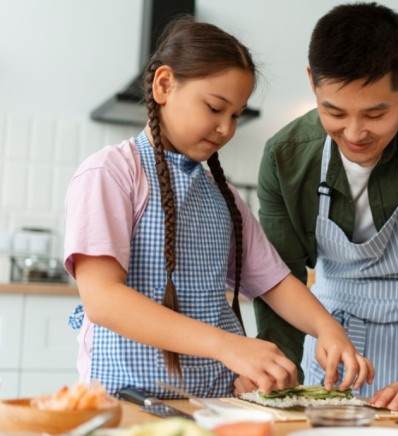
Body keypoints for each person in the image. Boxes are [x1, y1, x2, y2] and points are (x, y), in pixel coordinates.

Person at [64, 17, 373, 398]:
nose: (226, 129)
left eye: (235, 115)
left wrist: (328, 330)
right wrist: (226, 345)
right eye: (214, 108)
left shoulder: (222, 196)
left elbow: (275, 283)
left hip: (214, 403)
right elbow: (103, 300)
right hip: (128, 402)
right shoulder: (111, 173)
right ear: (164, 85)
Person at [253, 2, 398, 417]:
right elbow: (278, 274)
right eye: (333, 111)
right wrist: (277, 374)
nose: (354, 133)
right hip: (327, 345)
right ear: (313, 83)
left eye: (376, 113)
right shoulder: (285, 156)